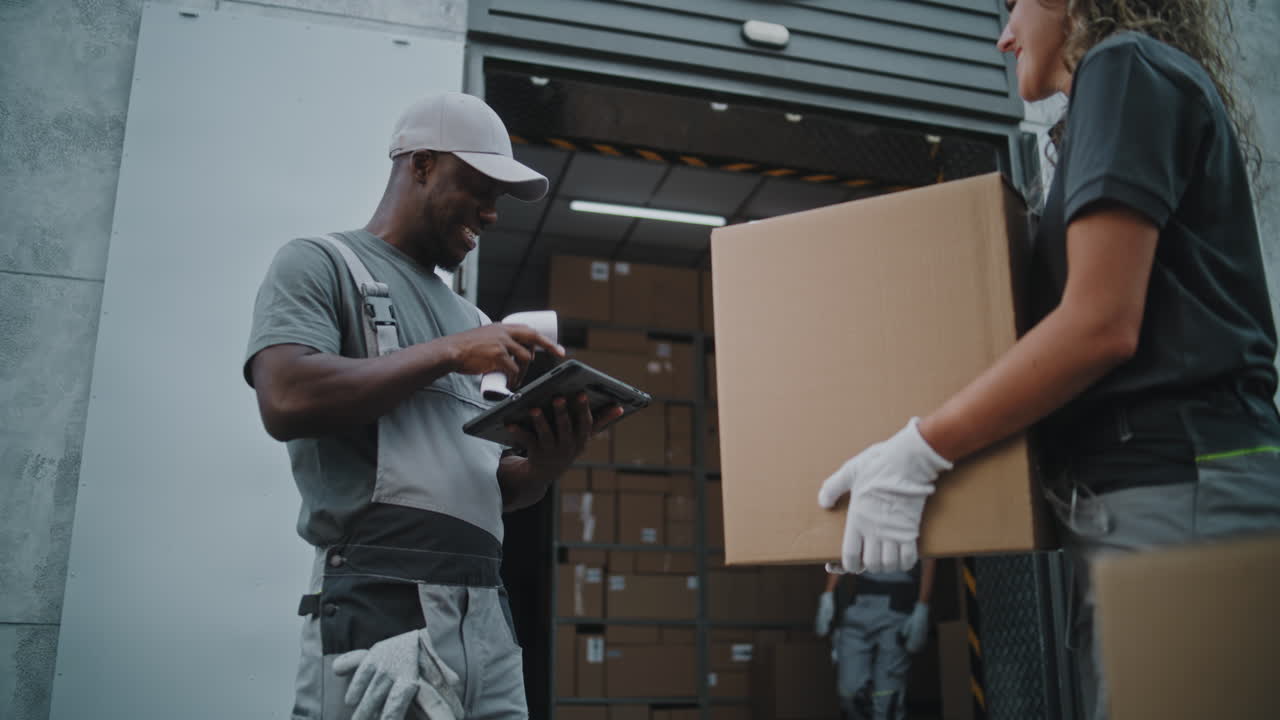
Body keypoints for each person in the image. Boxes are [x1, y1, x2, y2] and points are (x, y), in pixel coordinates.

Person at [816, 1, 1280, 718]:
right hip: (1152, 506)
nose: (1003, 37)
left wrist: (918, 453)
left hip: (1178, 498)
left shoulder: (1124, 67)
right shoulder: (1115, 92)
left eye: (1012, 7)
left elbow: (1098, 326)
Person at [245, 92, 620, 720]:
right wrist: (448, 353)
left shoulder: (473, 320)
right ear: (421, 164)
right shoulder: (321, 263)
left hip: (484, 609)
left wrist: (547, 463)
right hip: (382, 595)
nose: (492, 214)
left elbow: (488, 486)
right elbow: (285, 398)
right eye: (479, 188)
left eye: (498, 199)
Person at [815, 560, 936, 720]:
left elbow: (930, 557)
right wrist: (828, 594)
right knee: (850, 695)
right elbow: (842, 553)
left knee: (888, 702)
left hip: (897, 608)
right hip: (860, 605)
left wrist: (922, 605)